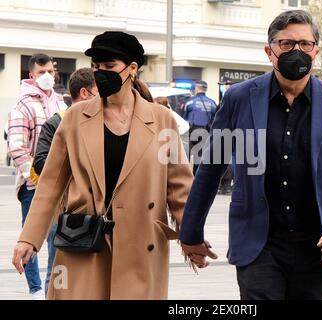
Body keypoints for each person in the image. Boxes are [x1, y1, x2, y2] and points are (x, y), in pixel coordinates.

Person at [179, 10, 322, 300]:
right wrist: (190, 232)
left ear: (316, 51)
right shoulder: (239, 98)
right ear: (269, 51)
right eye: (286, 44)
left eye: (305, 44)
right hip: (259, 246)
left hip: (319, 246)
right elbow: (211, 167)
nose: (297, 51)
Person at [12, 31, 193, 300]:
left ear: (132, 69)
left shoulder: (161, 120)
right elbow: (51, 184)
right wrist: (29, 238)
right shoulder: (74, 118)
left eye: (109, 67)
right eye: (96, 68)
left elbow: (179, 187)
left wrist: (193, 237)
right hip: (84, 242)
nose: (101, 74)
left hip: (141, 245)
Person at [29, 67, 98, 297]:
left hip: (98, 211)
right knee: (58, 268)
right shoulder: (57, 122)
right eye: (99, 90)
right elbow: (41, 163)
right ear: (86, 93)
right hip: (64, 210)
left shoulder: (103, 122)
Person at [8, 53, 67, 299]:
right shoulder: (22, 106)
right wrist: (36, 178)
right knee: (31, 237)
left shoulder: (61, 103)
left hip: (59, 186)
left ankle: (50, 288)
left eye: (50, 72)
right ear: (31, 75)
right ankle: (35, 290)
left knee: (57, 239)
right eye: (41, 72)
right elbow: (18, 148)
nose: (46, 76)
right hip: (33, 185)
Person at [183, 80, 217, 175]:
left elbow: (184, 119)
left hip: (190, 131)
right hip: (205, 133)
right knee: (200, 157)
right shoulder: (212, 103)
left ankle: (185, 176)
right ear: (206, 89)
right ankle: (197, 177)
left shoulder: (189, 102)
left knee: (185, 155)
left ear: (196, 88)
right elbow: (215, 119)